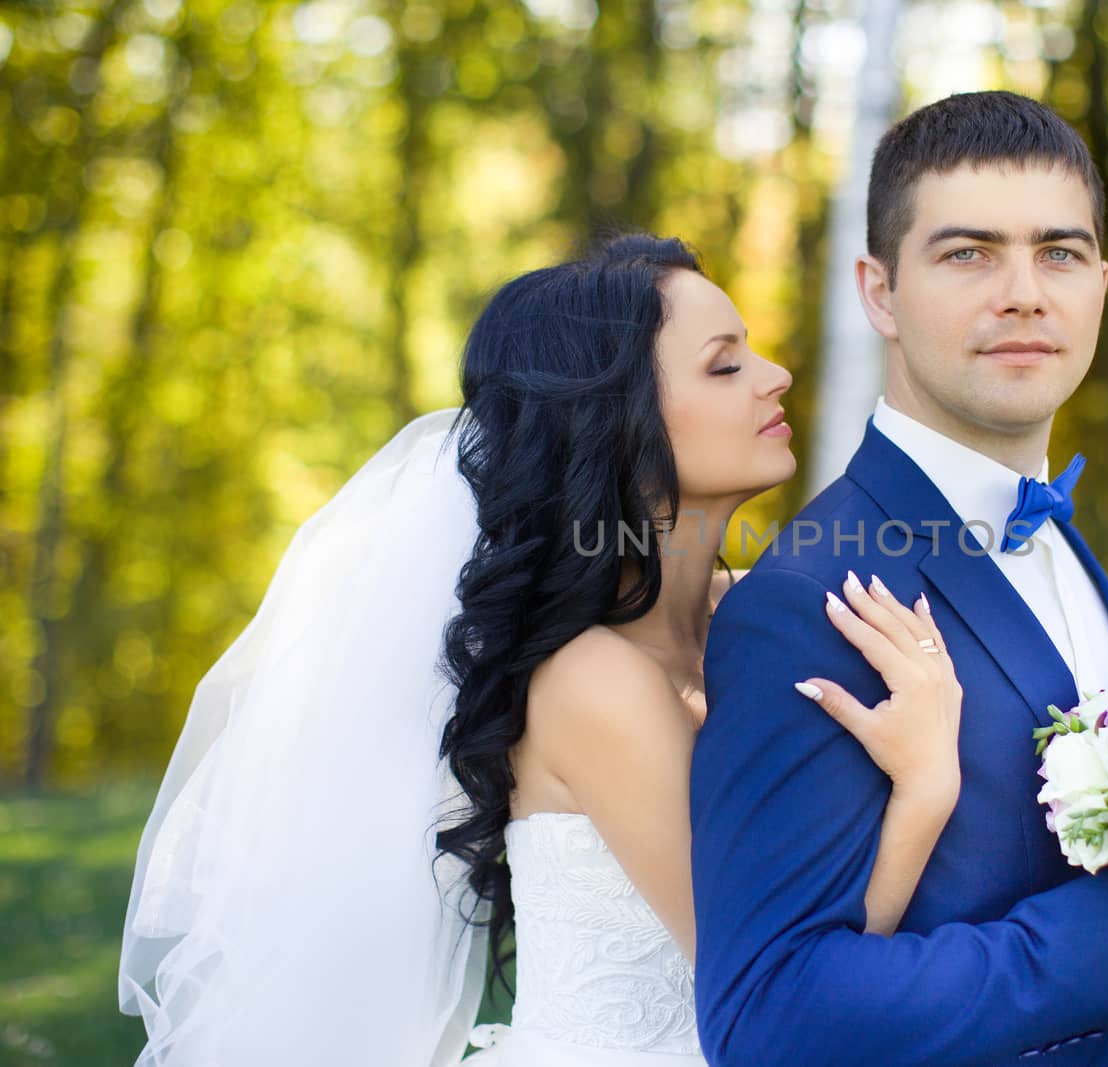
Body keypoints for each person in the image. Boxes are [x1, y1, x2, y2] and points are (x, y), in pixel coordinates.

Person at [119, 235, 964, 1066]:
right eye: (724, 364)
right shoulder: (592, 679)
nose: (776, 375)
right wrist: (924, 786)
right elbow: (775, 987)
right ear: (619, 425)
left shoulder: (746, 611)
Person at [690, 91, 1108, 1067]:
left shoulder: (1063, 542)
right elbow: (769, 1015)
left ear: (1101, 284)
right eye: (968, 253)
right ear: (879, 292)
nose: (1025, 292)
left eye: (1060, 253)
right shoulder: (811, 595)